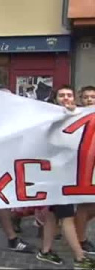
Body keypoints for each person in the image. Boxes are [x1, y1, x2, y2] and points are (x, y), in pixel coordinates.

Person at [35, 86, 95, 269]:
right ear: (56, 99)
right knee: (67, 216)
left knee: (53, 216)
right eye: (62, 95)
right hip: (56, 175)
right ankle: (80, 258)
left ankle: (45, 252)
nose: (66, 98)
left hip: (67, 174)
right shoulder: (50, 117)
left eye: (69, 95)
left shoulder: (77, 115)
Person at [75, 85, 95, 254]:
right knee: (85, 204)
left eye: (93, 97)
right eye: (86, 97)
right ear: (81, 99)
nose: (89, 99)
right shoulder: (74, 116)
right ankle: (80, 239)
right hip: (81, 167)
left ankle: (73, 229)